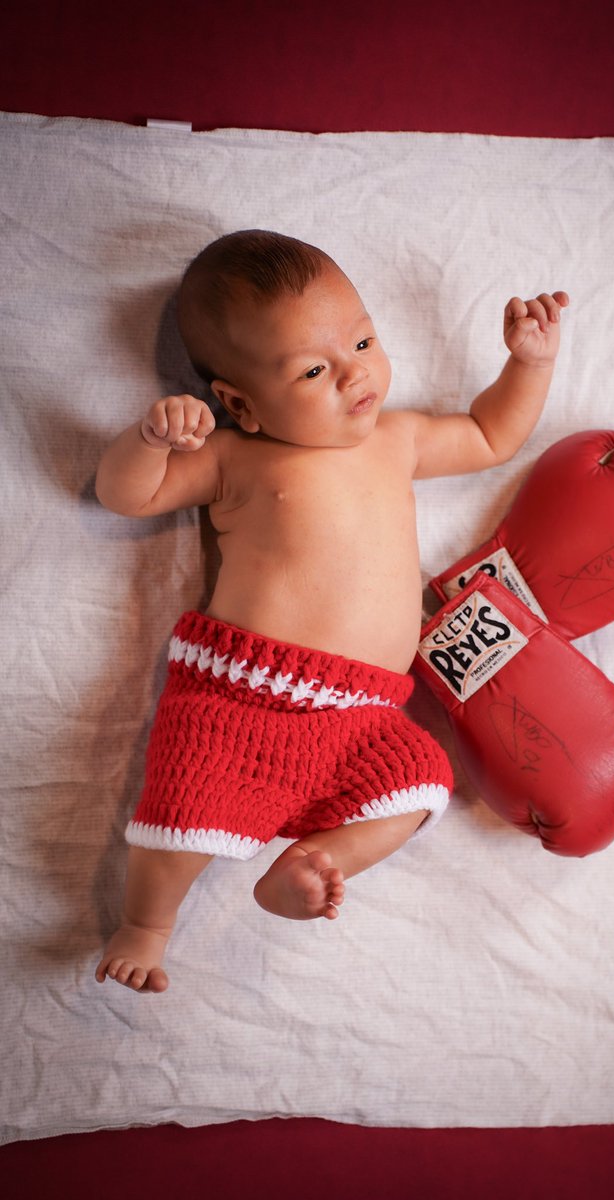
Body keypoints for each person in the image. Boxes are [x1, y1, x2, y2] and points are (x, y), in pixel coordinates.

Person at [94, 229, 568, 993]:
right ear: (241, 403)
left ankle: (313, 864)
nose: (356, 375)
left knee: (419, 783)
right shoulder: (236, 457)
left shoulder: (399, 437)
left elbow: (490, 434)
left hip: (365, 714)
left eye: (362, 340)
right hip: (243, 696)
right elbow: (128, 494)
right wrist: (150, 441)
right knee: (180, 813)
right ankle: (146, 925)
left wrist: (529, 362)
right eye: (316, 369)